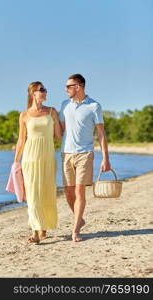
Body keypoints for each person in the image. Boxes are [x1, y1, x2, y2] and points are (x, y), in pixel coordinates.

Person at [59, 74, 111, 242]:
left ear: (78, 86)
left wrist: (106, 158)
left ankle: (75, 231)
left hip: (85, 154)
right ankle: (79, 219)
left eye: (68, 86)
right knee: (68, 192)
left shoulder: (94, 106)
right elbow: (59, 131)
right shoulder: (64, 105)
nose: (65, 89)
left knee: (79, 190)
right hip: (66, 153)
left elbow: (101, 134)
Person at [14, 81, 62, 244]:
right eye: (42, 90)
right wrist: (16, 162)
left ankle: (44, 226)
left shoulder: (51, 112)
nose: (45, 92)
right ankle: (35, 231)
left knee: (46, 192)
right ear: (33, 93)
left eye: (45, 90)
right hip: (30, 158)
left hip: (48, 157)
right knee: (33, 194)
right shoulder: (24, 115)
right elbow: (21, 140)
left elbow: (59, 136)